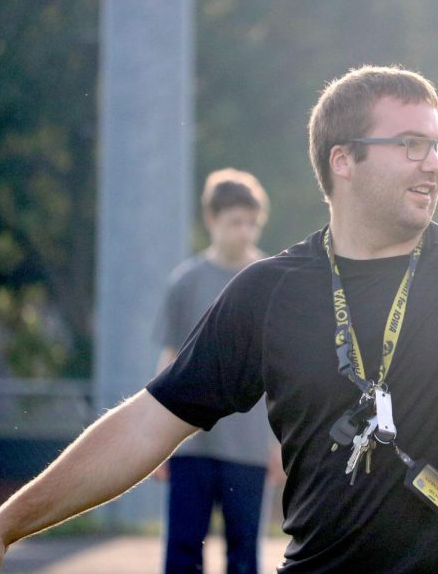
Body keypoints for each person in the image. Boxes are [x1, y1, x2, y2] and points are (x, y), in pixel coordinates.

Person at [0, 65, 438, 574]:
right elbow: (146, 424)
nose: (434, 166)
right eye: (411, 144)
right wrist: (1, 529)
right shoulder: (267, 293)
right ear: (344, 159)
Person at [153, 168, 279, 574]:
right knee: (182, 551)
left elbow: (278, 373)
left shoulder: (270, 282)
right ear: (211, 220)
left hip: (249, 445)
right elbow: (169, 362)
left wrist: (279, 445)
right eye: (234, 222)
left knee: (244, 557)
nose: (244, 232)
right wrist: (158, 440)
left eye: (251, 223)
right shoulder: (185, 282)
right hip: (190, 445)